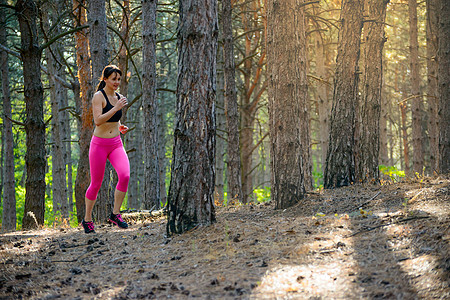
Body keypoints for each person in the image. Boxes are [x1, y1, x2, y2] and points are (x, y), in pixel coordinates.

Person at [81, 65, 130, 234]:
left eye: (118, 79)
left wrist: (119, 126)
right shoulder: (98, 96)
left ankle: (115, 214)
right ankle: (87, 218)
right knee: (96, 183)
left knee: (125, 175)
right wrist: (116, 108)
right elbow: (98, 120)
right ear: (105, 79)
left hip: (116, 143)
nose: (117, 82)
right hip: (99, 145)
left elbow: (114, 120)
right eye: (113, 79)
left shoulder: (119, 97)